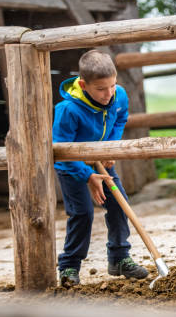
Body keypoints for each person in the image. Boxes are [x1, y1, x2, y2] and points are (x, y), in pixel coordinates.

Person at [52, 49, 148, 287]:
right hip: (72, 166)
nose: (108, 94)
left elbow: (120, 118)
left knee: (118, 204)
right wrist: (87, 175)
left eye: (112, 86)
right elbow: (61, 150)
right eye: (101, 89)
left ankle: (119, 258)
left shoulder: (119, 95)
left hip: (100, 160)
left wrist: (110, 146)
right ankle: (69, 266)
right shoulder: (68, 110)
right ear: (84, 85)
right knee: (83, 213)